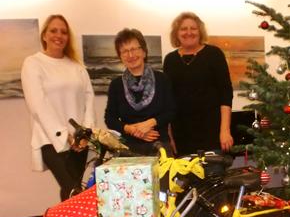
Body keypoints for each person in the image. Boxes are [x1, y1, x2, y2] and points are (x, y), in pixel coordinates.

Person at [21, 14, 94, 201]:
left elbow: (89, 99)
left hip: (80, 142)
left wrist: (85, 135)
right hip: (50, 140)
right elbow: (37, 104)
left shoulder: (77, 67)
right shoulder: (33, 63)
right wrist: (64, 135)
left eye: (63, 32)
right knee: (74, 190)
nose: (58, 35)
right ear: (44, 35)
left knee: (72, 190)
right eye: (53, 30)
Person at [164, 12, 234, 155]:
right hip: (182, 136)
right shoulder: (170, 60)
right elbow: (168, 101)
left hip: (212, 134)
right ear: (176, 33)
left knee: (213, 176)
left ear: (200, 31)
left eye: (193, 28)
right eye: (183, 29)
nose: (188, 32)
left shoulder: (214, 54)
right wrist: (169, 137)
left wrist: (225, 131)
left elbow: (226, 94)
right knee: (186, 177)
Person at [104, 28, 175, 156]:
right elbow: (109, 118)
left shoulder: (162, 79)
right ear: (120, 56)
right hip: (129, 149)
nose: (130, 55)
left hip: (160, 147)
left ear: (144, 51)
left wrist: (150, 123)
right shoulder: (116, 85)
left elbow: (172, 111)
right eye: (125, 51)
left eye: (134, 49)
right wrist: (131, 129)